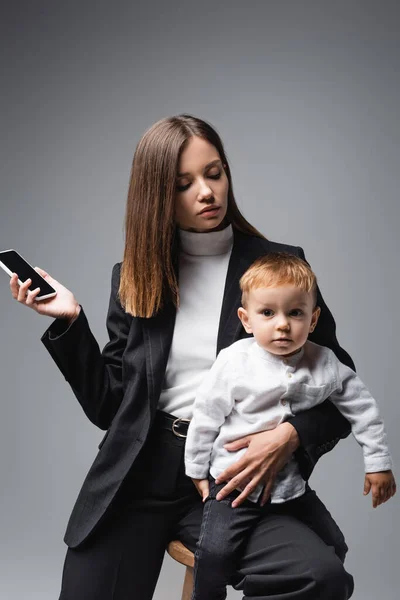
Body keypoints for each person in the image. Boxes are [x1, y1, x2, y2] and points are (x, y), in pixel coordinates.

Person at [9, 114, 356, 600]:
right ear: (157, 196)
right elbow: (110, 407)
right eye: (183, 184)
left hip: (228, 480)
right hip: (137, 477)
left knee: (320, 578)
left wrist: (290, 436)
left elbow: (341, 388)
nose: (207, 193)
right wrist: (70, 322)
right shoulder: (134, 276)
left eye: (214, 174)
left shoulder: (278, 268)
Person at [185, 252, 396, 600]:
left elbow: (364, 410)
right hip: (233, 487)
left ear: (313, 320)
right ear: (246, 319)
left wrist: (378, 464)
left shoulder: (324, 362)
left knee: (335, 545)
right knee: (215, 554)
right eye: (268, 313)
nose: (282, 324)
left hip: (290, 488)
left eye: (295, 313)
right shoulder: (235, 361)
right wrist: (196, 469)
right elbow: (205, 417)